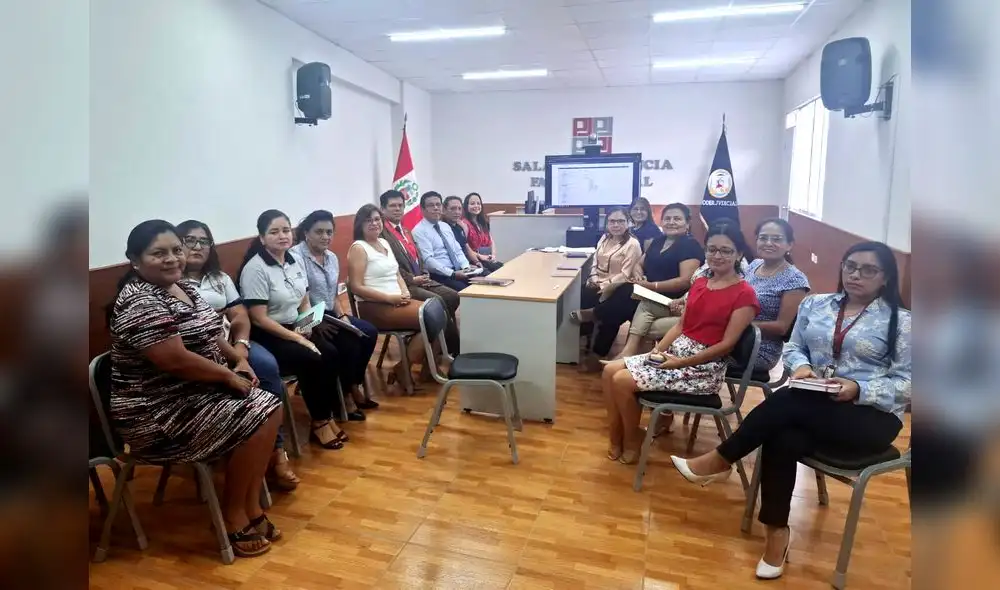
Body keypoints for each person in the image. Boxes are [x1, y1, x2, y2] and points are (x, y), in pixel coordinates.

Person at [669, 241, 910, 581]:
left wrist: (860, 388)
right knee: (783, 434)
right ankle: (776, 534)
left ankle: (722, 458)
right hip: (812, 403)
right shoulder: (818, 305)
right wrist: (799, 368)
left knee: (785, 405)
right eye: (851, 266)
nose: (856, 275)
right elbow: (795, 347)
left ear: (885, 278)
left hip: (870, 417)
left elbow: (911, 382)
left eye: (869, 270)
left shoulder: (902, 323)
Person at [110, 220, 283, 558]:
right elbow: (175, 360)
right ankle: (233, 515)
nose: (172, 258)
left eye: (176, 250)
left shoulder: (184, 287)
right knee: (259, 413)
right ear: (134, 260)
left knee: (270, 406)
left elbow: (212, 332)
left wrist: (240, 361)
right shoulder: (139, 301)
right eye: (158, 253)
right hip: (157, 411)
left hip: (194, 393)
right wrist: (227, 377)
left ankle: (249, 506)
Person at [601, 223, 760, 465]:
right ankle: (617, 436)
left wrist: (680, 362)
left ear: (739, 254)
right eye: (712, 249)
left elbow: (726, 345)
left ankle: (632, 439)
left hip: (704, 368)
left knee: (621, 380)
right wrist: (657, 351)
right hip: (676, 352)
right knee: (608, 370)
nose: (717, 256)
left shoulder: (744, 293)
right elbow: (680, 327)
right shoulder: (700, 283)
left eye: (726, 251)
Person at [176, 220, 300, 491]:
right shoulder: (172, 284)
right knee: (245, 378)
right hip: (202, 351)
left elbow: (239, 314)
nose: (197, 247)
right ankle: (257, 448)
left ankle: (274, 450)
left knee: (267, 367)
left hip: (233, 342)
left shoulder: (219, 279)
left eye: (204, 241)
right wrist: (235, 356)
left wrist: (242, 345)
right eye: (190, 240)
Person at [238, 210, 350, 451]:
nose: (282, 236)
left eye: (286, 230)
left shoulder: (294, 259)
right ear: (261, 237)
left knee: (331, 353)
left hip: (296, 327)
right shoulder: (255, 269)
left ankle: (326, 415)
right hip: (270, 334)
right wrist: (296, 337)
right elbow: (258, 319)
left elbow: (304, 300)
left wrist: (306, 325)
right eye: (274, 232)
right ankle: (320, 421)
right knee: (311, 358)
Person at [288, 210, 379, 418]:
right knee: (348, 342)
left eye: (329, 232)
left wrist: (343, 316)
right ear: (306, 233)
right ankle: (343, 397)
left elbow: (333, 295)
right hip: (307, 315)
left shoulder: (331, 257)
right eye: (319, 232)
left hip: (328, 311)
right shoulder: (295, 256)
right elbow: (302, 297)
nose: (325, 237)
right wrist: (314, 322)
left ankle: (353, 384)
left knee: (368, 333)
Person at [348, 204, 443, 387]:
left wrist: (404, 291)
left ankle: (424, 370)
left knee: (438, 313)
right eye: (368, 220)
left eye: (377, 219)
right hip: (375, 306)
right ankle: (404, 369)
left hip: (398, 300)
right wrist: (388, 298)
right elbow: (356, 287)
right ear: (360, 224)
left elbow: (397, 273)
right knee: (430, 318)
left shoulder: (384, 243)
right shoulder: (358, 248)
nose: (374, 223)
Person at [615, 203, 704, 359]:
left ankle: (627, 353)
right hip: (650, 294)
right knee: (622, 295)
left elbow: (685, 281)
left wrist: (652, 286)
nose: (671, 222)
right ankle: (631, 355)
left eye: (677, 219)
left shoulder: (690, 245)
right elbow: (639, 264)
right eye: (667, 218)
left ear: (688, 223)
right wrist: (639, 275)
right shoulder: (658, 241)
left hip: (675, 301)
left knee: (640, 303)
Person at [379, 189, 460, 353]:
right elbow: (389, 266)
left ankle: (436, 343)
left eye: (400, 205)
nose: (397, 209)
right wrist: (411, 279)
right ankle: (451, 349)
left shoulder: (405, 230)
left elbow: (419, 256)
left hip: (421, 278)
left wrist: (424, 272)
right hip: (404, 285)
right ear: (383, 209)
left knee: (453, 296)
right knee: (438, 302)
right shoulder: (381, 234)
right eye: (392, 206)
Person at [569, 208, 643, 364]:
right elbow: (594, 262)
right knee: (577, 295)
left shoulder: (633, 244)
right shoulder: (604, 238)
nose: (616, 225)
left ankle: (598, 354)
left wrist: (604, 285)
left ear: (628, 223)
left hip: (618, 286)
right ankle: (579, 341)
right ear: (607, 223)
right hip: (598, 282)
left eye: (621, 221)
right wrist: (594, 278)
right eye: (612, 221)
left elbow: (626, 273)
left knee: (611, 315)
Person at [743, 218, 810, 371]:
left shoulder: (795, 279)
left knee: (690, 351)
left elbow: (782, 327)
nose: (768, 243)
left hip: (757, 348)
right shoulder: (754, 265)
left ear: (789, 245)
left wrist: (738, 324)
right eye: (763, 238)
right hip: (733, 337)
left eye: (776, 239)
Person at [411, 191, 474, 291]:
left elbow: (457, 250)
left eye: (438, 204)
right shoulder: (419, 231)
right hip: (440, 275)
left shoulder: (445, 226)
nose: (436, 208)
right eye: (431, 205)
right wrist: (452, 274)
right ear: (422, 210)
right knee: (467, 291)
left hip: (459, 270)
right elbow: (428, 261)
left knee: (484, 280)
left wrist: (466, 268)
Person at [462, 192, 503, 272]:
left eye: (478, 203)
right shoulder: (464, 224)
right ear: (466, 206)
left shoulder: (483, 223)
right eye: (472, 203)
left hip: (487, 258)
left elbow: (491, 241)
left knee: (503, 267)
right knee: (498, 271)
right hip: (474, 260)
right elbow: (465, 248)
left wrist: (493, 255)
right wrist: (480, 256)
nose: (476, 206)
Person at [443, 196, 486, 274]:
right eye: (453, 208)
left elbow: (467, 248)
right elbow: (451, 254)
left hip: (467, 263)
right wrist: (467, 266)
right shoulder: (442, 229)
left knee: (496, 268)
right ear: (444, 210)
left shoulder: (459, 227)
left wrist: (476, 262)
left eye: (459, 209)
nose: (457, 212)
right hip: (456, 268)